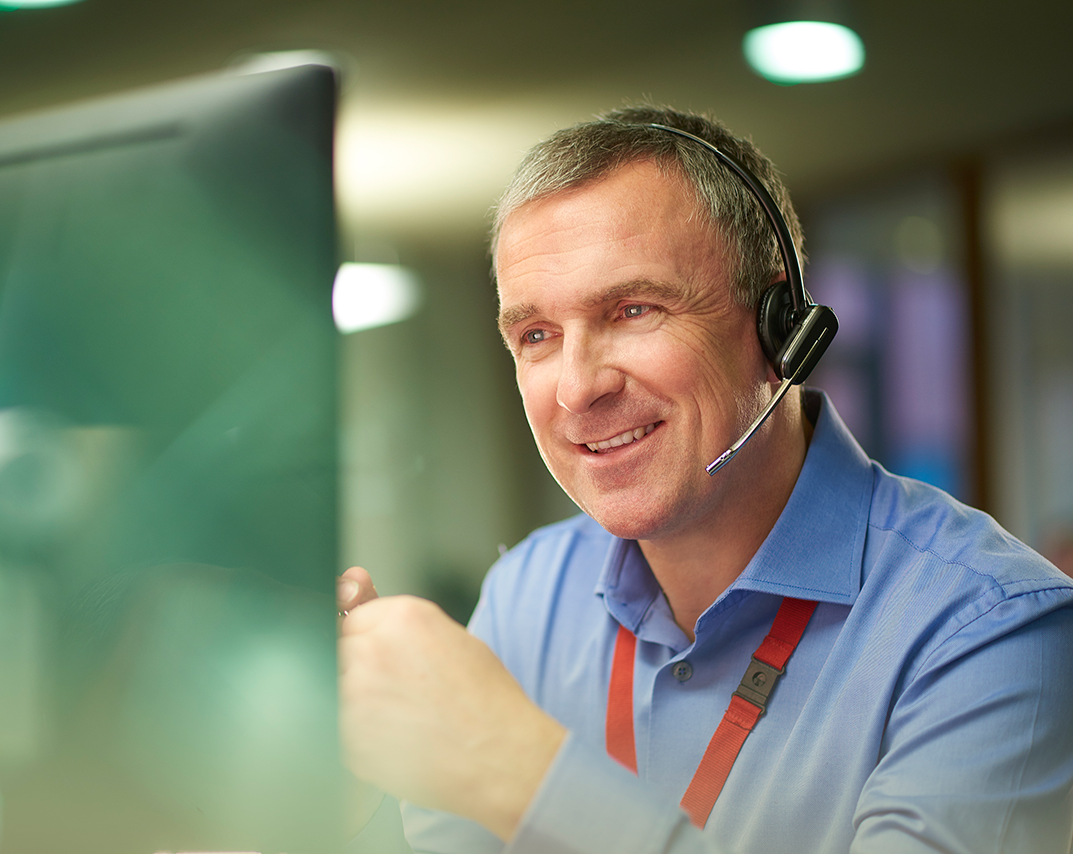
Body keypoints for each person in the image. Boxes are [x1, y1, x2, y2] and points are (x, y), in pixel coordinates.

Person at [336, 105, 1073, 854]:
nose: (575, 389)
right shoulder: (527, 596)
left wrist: (521, 769)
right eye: (537, 335)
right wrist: (344, 788)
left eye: (632, 309)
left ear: (779, 324)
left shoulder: (997, 634)